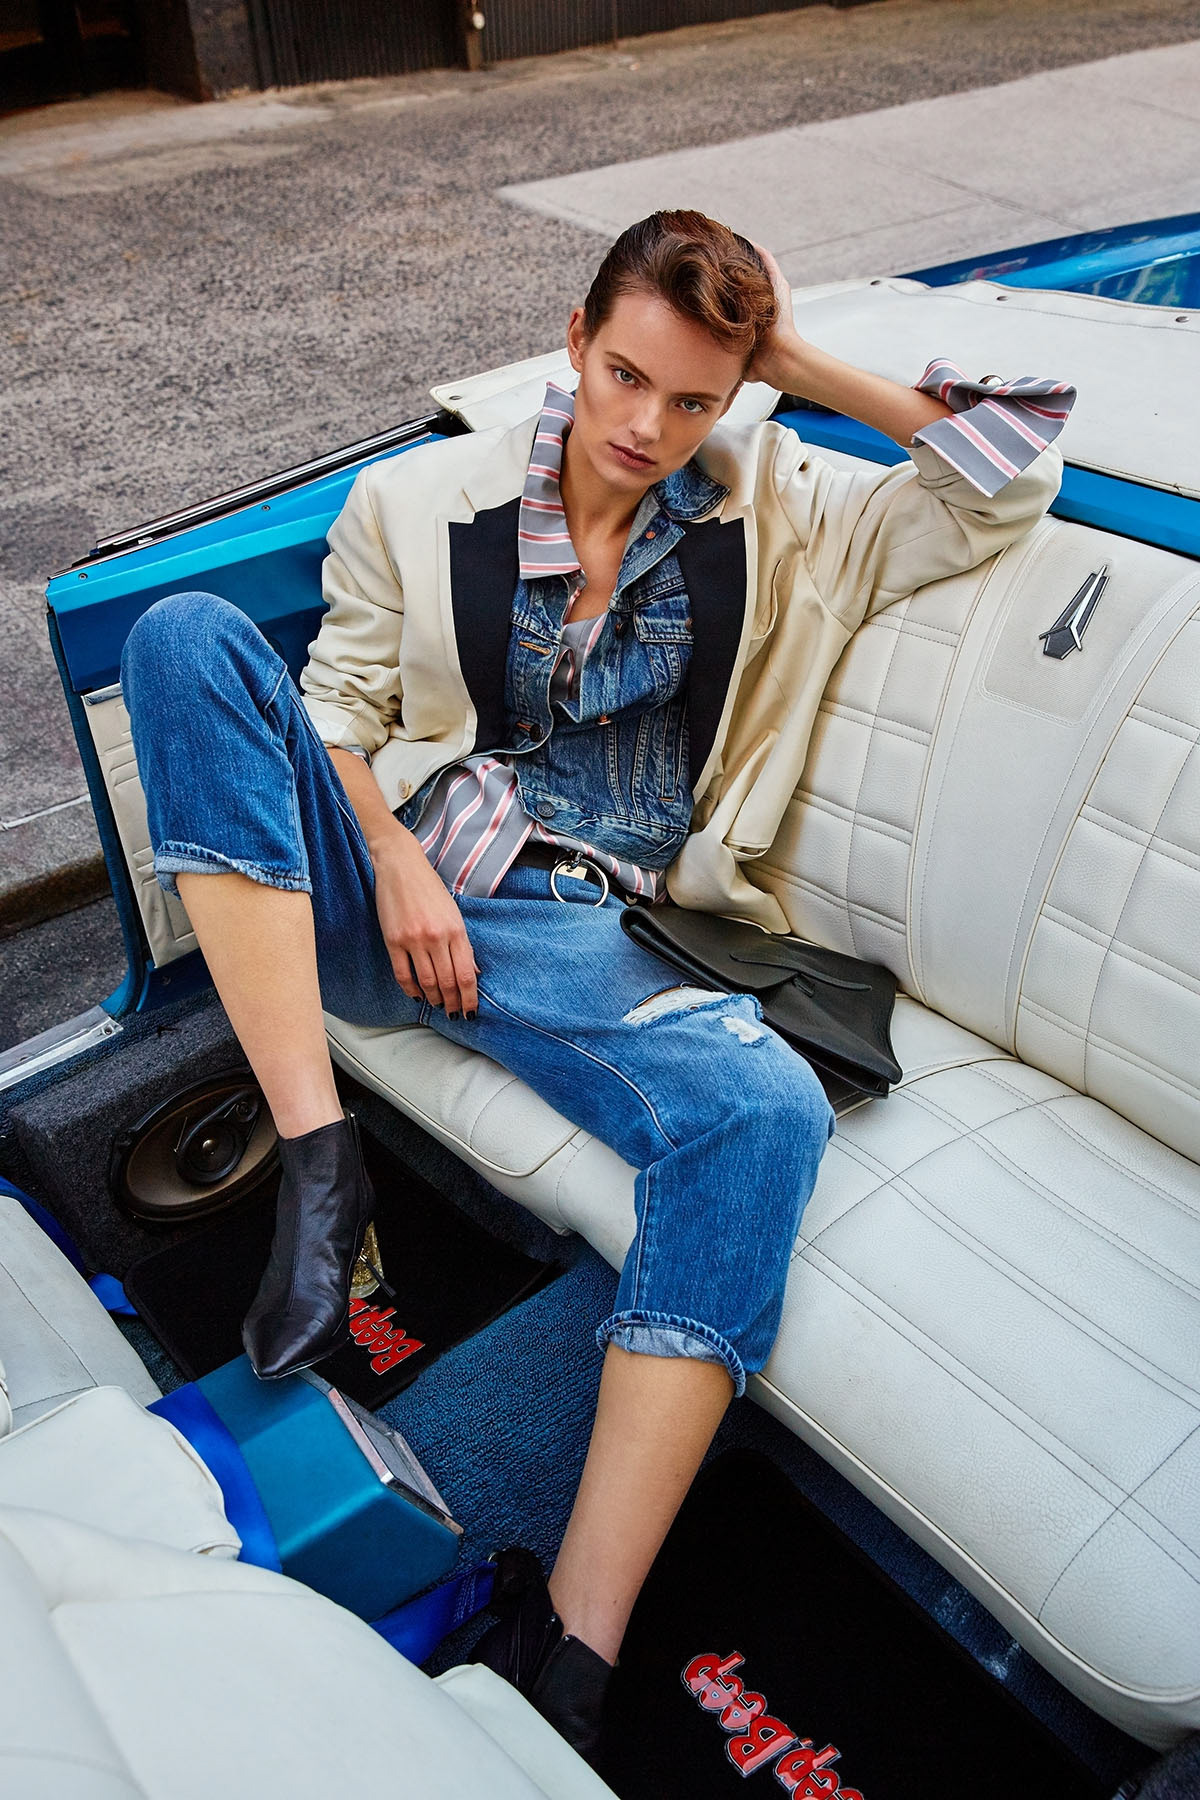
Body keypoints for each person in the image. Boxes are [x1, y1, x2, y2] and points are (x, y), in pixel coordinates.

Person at [121, 210, 1073, 1758]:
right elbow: (336, 717)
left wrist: (790, 359)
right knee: (182, 637)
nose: (646, 425)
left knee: (764, 1112)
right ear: (576, 339)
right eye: (626, 375)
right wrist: (393, 851)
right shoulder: (420, 500)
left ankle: (570, 1640)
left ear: (734, 393)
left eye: (693, 397)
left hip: (581, 927)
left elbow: (1010, 473)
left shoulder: (781, 509)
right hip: (382, 887)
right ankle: (318, 1157)